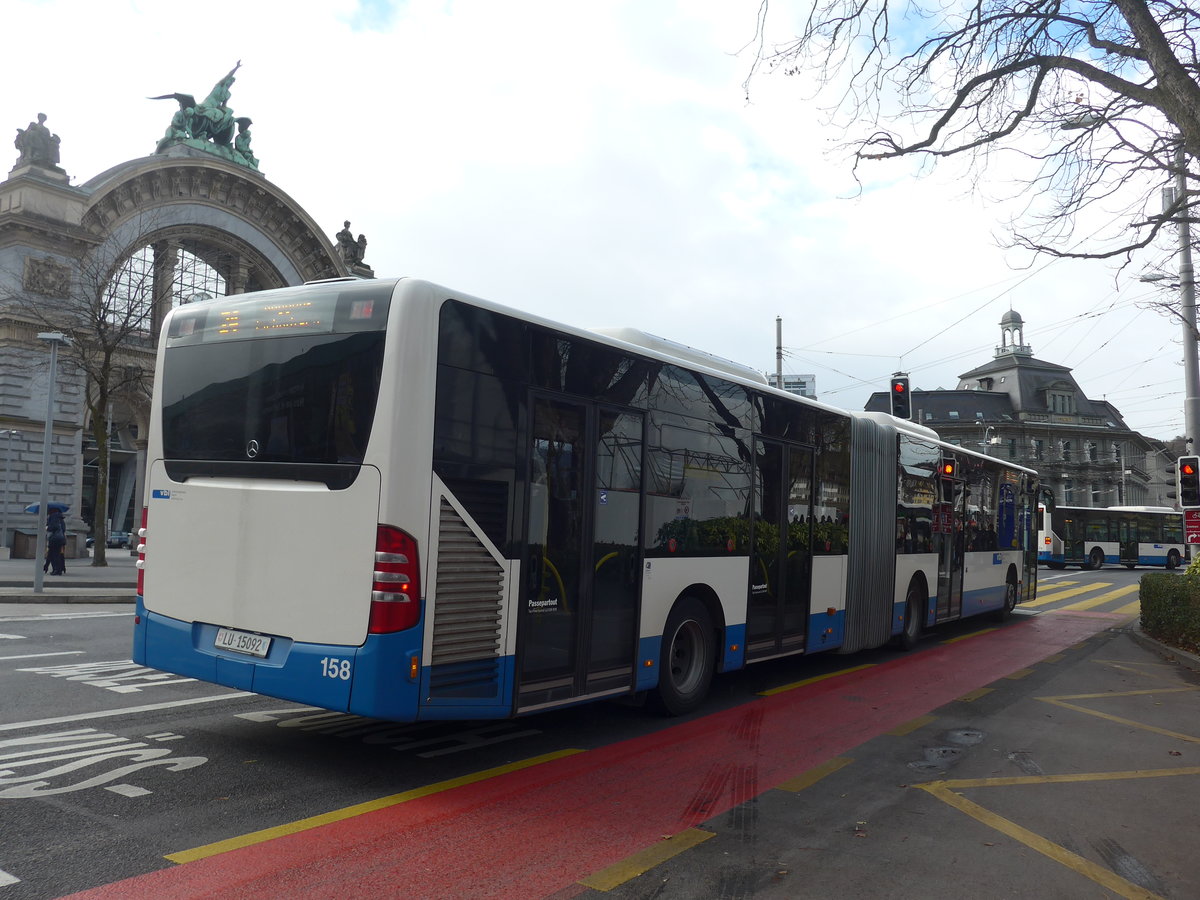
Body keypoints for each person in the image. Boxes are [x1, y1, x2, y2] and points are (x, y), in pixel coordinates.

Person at [45, 509, 66, 576]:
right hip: (61, 539)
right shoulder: (61, 519)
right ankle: (59, 569)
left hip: (54, 539)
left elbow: (51, 527)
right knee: (58, 554)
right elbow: (63, 529)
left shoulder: (53, 517)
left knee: (53, 555)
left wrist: (47, 527)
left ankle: (56, 570)